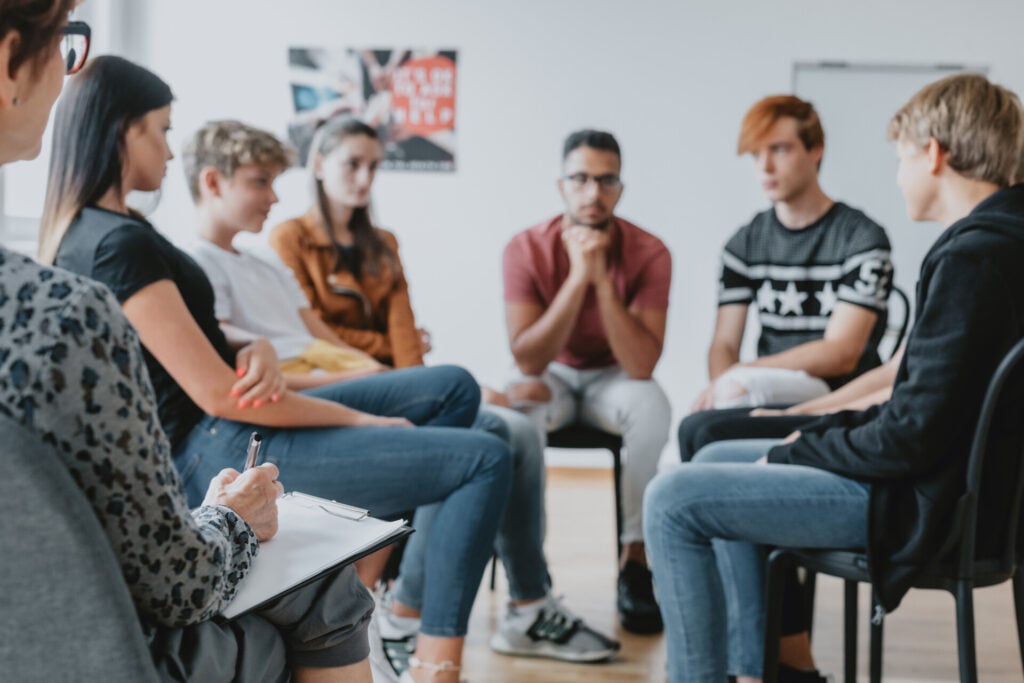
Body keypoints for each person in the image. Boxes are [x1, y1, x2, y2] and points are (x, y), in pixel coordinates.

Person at [41, 55, 512, 683]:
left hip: (223, 423)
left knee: (452, 386)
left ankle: (380, 591)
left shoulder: (113, 230)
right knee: (485, 456)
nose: (171, 151)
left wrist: (254, 346)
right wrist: (361, 420)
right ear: (124, 132)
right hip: (212, 444)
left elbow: (188, 334)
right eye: (162, 130)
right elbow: (218, 395)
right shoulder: (112, 243)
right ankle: (435, 662)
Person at [0, 3, 372, 681]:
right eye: (66, 42)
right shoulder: (61, 316)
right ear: (8, 65)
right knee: (327, 585)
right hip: (76, 651)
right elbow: (178, 582)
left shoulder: (64, 284)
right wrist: (232, 515)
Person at [644, 73, 1024, 683]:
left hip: (925, 502)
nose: (899, 175)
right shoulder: (1003, 241)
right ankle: (756, 670)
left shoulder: (972, 259)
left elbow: (910, 435)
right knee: (716, 450)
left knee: (671, 499)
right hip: (965, 492)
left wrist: (807, 446)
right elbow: (922, 400)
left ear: (933, 154)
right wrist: (811, 434)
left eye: (901, 158)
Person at [266, 116, 619, 669]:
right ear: (317, 165)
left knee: (518, 428)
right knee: (489, 434)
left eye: (373, 167)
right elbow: (318, 340)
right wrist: (400, 367)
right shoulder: (289, 239)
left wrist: (419, 380)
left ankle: (526, 605)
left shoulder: (383, 244)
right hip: (337, 391)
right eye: (351, 164)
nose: (364, 178)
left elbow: (407, 333)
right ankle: (404, 614)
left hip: (396, 385)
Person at [502, 128, 672, 634]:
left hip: (614, 377)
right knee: (517, 408)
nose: (593, 193)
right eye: (580, 178)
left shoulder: (650, 252)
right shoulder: (525, 248)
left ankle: (635, 561)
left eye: (606, 180)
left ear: (620, 188)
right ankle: (530, 574)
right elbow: (528, 358)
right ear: (561, 185)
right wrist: (578, 277)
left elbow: (642, 365)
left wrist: (600, 277)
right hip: (550, 374)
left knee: (652, 404)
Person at [691, 95, 893, 415]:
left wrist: (743, 374)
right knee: (704, 418)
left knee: (730, 396)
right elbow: (724, 343)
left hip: (843, 394)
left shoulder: (861, 238)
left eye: (780, 149)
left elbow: (842, 353)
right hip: (765, 388)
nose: (764, 166)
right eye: (756, 154)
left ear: (816, 150)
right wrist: (722, 384)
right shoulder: (744, 244)